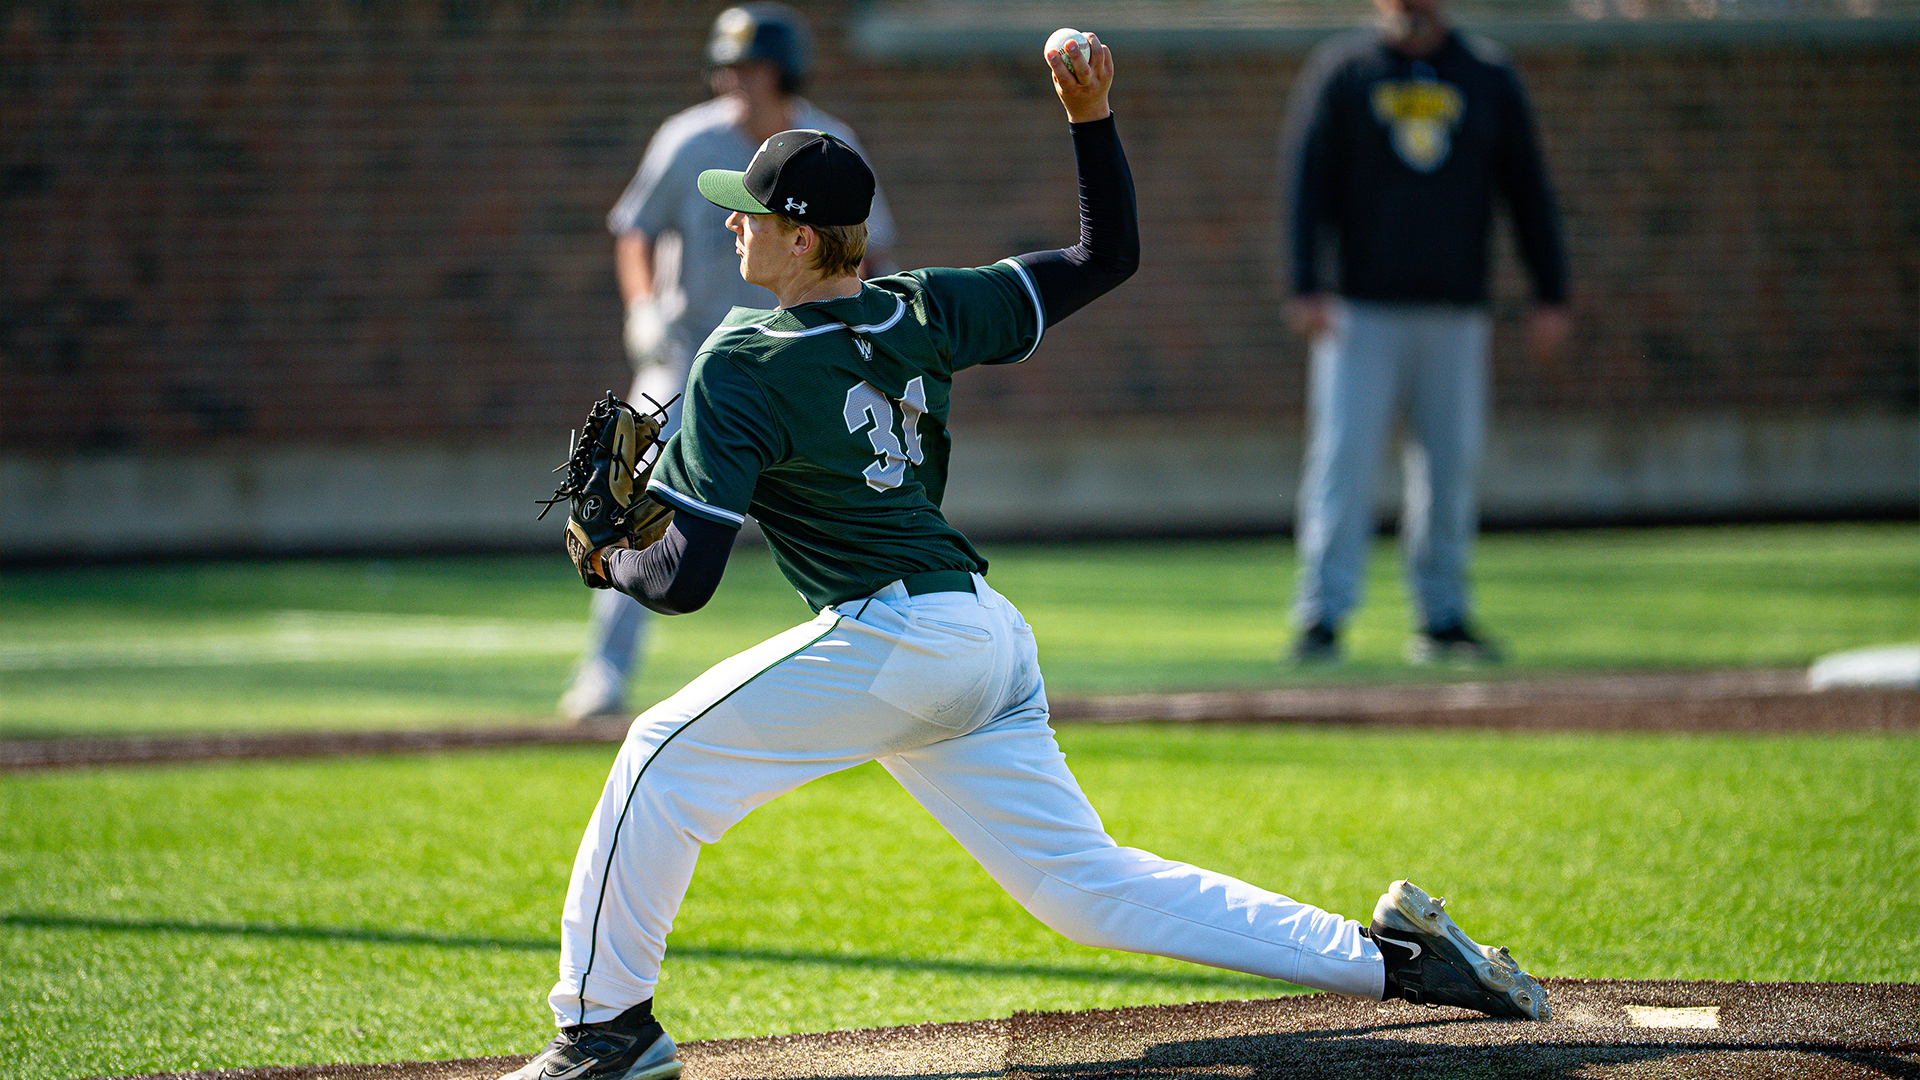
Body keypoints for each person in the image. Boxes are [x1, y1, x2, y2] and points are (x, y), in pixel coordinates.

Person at [501, 33, 1548, 1080]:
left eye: (752, 211)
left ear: (804, 238)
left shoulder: (743, 354)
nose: (733, 221)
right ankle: (1393, 960)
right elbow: (1107, 255)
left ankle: (606, 1031)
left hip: (896, 636)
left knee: (657, 759)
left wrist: (605, 560)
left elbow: (682, 581)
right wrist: (1090, 118)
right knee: (1084, 888)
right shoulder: (926, 305)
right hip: (980, 635)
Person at [560, 1, 898, 721]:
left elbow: (867, 250)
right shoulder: (688, 140)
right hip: (689, 358)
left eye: (750, 67)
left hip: (797, 359)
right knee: (630, 501)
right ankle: (604, 673)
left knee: (851, 492)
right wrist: (641, 307)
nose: (732, 80)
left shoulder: (829, 143)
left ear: (784, 71)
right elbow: (634, 230)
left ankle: (885, 658)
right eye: (727, 66)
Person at [1280, 0, 1570, 666]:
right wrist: (1305, 282)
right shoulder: (1345, 70)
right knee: (1343, 461)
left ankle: (1443, 616)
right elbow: (1306, 181)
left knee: (1451, 464)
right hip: (1359, 310)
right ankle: (1322, 615)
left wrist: (1550, 289)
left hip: (1455, 309)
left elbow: (1526, 186)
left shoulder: (1486, 74)